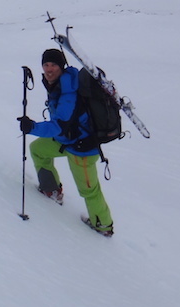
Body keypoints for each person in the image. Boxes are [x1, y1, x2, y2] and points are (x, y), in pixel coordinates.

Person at [18, 48, 114, 236]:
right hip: (67, 140)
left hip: (82, 148)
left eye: (53, 65)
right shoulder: (59, 84)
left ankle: (104, 225)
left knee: (89, 190)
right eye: (46, 65)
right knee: (38, 149)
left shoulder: (68, 91)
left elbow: (59, 125)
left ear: (61, 66)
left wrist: (32, 127)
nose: (49, 69)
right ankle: (51, 190)